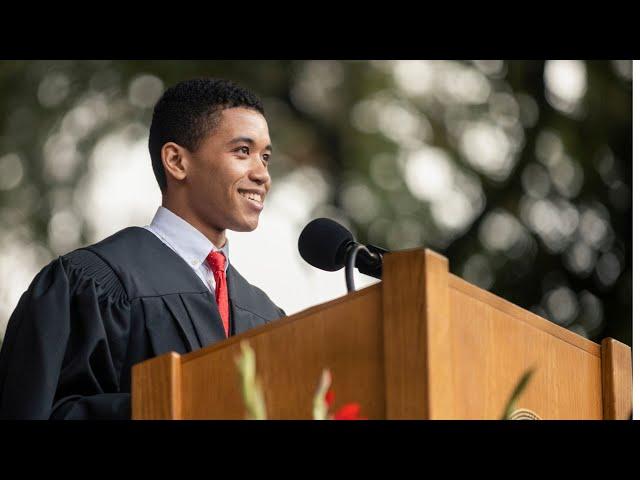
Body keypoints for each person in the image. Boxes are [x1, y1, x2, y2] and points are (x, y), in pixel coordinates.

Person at [0, 78, 286, 419]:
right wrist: (171, 403)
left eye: (265, 157)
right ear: (177, 161)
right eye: (243, 151)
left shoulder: (266, 316)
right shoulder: (90, 284)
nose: (262, 174)